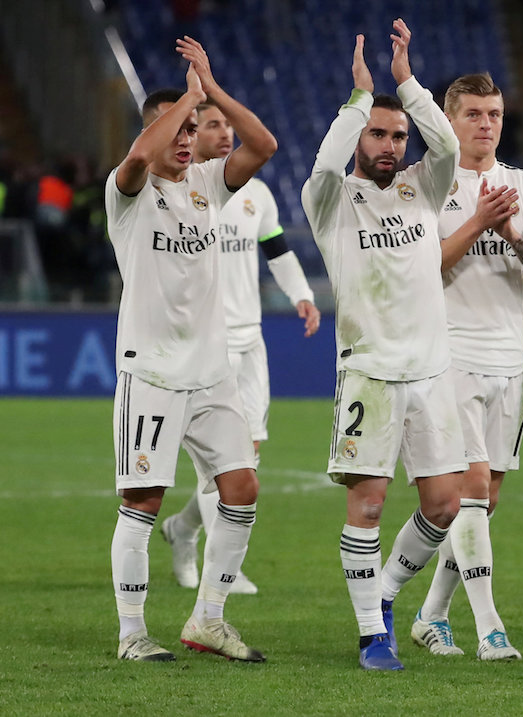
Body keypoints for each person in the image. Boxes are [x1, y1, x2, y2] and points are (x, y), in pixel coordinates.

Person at [301, 19, 465, 672]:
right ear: (362, 134)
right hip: (369, 372)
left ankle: (387, 592)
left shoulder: (421, 188)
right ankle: (373, 632)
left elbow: (447, 145)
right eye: (380, 132)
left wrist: (407, 83)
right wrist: (361, 98)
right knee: (366, 502)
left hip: (432, 372)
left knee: (445, 504)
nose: (392, 143)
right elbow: (320, 162)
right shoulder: (332, 201)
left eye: (399, 134)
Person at [106, 36, 276, 662]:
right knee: (143, 502)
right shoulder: (125, 193)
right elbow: (139, 156)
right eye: (175, 129)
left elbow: (263, 145)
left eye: (192, 129)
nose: (185, 140)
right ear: (153, 133)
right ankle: (132, 633)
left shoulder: (208, 183)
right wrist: (184, 104)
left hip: (211, 374)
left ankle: (208, 619)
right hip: (150, 372)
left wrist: (210, 91)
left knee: (241, 489)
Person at [409, 73, 523, 661]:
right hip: (449, 355)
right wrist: (477, 223)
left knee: (485, 499)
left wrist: (509, 232)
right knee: (472, 489)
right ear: (449, 121)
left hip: (509, 359)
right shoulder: (426, 182)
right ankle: (491, 629)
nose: (485, 123)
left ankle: (430, 613)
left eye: (494, 113)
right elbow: (418, 269)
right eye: (473, 113)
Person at [160, 99, 321, 596]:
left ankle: (182, 529)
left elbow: (277, 249)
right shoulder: (179, 190)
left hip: (250, 343)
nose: (225, 133)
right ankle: (219, 574)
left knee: (243, 463)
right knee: (217, 465)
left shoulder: (256, 195)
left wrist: (303, 295)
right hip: (203, 347)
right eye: (213, 125)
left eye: (228, 124)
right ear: (192, 132)